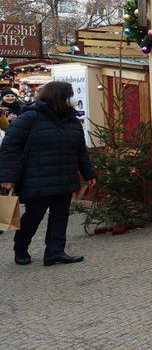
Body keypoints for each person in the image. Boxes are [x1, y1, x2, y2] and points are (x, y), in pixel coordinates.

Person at [0, 81, 96, 266]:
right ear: (58, 97)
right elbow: (10, 148)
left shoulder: (72, 121)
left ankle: (55, 252)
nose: (72, 99)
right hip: (36, 178)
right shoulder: (30, 118)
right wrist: (7, 177)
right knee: (34, 215)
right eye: (69, 95)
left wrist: (88, 173)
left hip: (64, 177)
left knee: (60, 215)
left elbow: (80, 151)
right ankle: (20, 248)